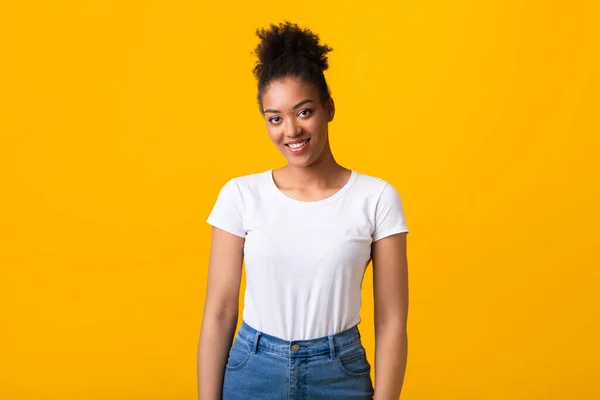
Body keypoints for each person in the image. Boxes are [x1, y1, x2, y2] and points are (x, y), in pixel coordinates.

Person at [197, 21, 409, 400]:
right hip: (252, 370)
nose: (290, 130)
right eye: (275, 118)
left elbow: (391, 321)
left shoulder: (376, 198)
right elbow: (220, 311)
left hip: (339, 373)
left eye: (304, 111)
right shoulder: (240, 195)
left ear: (328, 108)